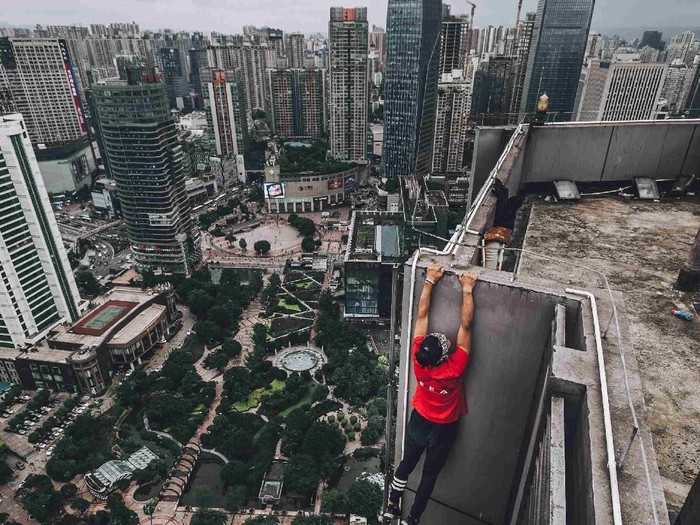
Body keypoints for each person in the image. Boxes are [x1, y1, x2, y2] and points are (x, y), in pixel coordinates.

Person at [385, 265, 477, 525]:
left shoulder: (418, 362)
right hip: (443, 428)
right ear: (444, 356)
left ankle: (393, 503)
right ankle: (412, 518)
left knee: (406, 464)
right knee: (428, 477)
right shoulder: (455, 368)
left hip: (420, 421)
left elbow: (421, 315)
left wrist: (429, 280)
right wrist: (467, 289)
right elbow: (466, 325)